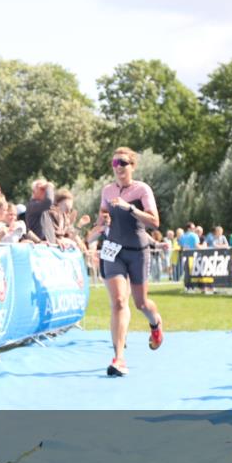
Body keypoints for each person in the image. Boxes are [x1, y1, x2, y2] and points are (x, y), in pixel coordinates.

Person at [99, 147, 164, 377]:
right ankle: (119, 358)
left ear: (132, 166)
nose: (118, 167)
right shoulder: (107, 190)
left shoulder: (142, 189)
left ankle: (155, 324)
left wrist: (130, 208)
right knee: (118, 301)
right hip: (113, 250)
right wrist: (102, 220)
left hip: (138, 251)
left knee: (141, 303)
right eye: (114, 163)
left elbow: (154, 221)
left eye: (123, 163)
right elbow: (102, 217)